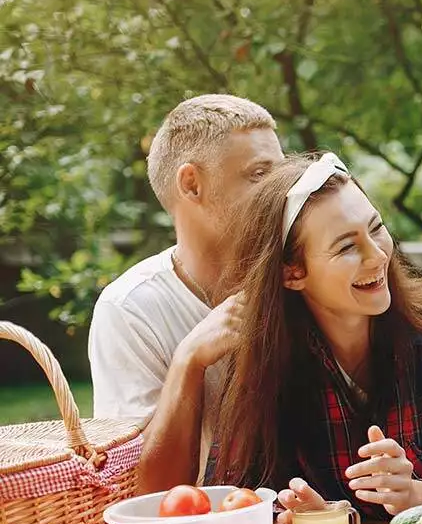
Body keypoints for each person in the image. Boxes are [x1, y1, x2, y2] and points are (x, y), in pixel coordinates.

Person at [204, 152, 422, 524]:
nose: (377, 256)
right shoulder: (264, 357)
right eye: (347, 247)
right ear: (292, 272)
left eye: (376, 229)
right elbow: (229, 502)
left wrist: (420, 494)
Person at [88, 95, 284, 494]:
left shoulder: (295, 275)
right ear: (192, 184)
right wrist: (188, 362)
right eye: (259, 174)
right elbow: (145, 494)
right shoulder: (130, 310)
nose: (281, 191)